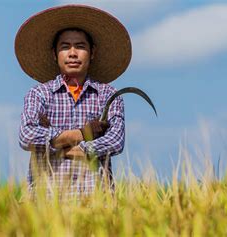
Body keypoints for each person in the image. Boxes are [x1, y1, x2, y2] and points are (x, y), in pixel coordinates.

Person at [15, 5, 132, 199]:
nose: (72, 53)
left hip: (96, 202)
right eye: (65, 47)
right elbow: (26, 136)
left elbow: (115, 141)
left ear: (92, 52)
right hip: (45, 203)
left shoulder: (108, 95)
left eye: (80, 46)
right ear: (55, 54)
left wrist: (58, 144)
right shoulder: (39, 94)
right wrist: (83, 133)